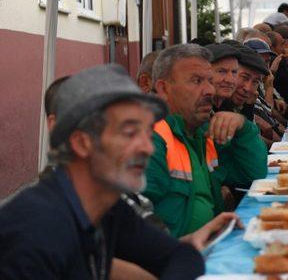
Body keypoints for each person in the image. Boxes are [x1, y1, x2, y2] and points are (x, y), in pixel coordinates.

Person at [0, 65, 205, 279]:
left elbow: (181, 255)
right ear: (81, 143)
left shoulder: (107, 207)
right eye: (129, 133)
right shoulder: (34, 232)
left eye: (147, 133)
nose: (148, 147)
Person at [145, 44, 267, 238]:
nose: (209, 90)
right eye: (196, 81)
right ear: (163, 88)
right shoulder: (149, 140)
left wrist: (243, 126)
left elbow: (254, 174)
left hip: (212, 246)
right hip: (182, 261)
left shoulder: (201, 131)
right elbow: (135, 231)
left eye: (210, 81)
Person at [205, 43, 241, 112]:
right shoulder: (192, 114)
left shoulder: (230, 109)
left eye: (234, 72)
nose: (230, 80)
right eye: (221, 71)